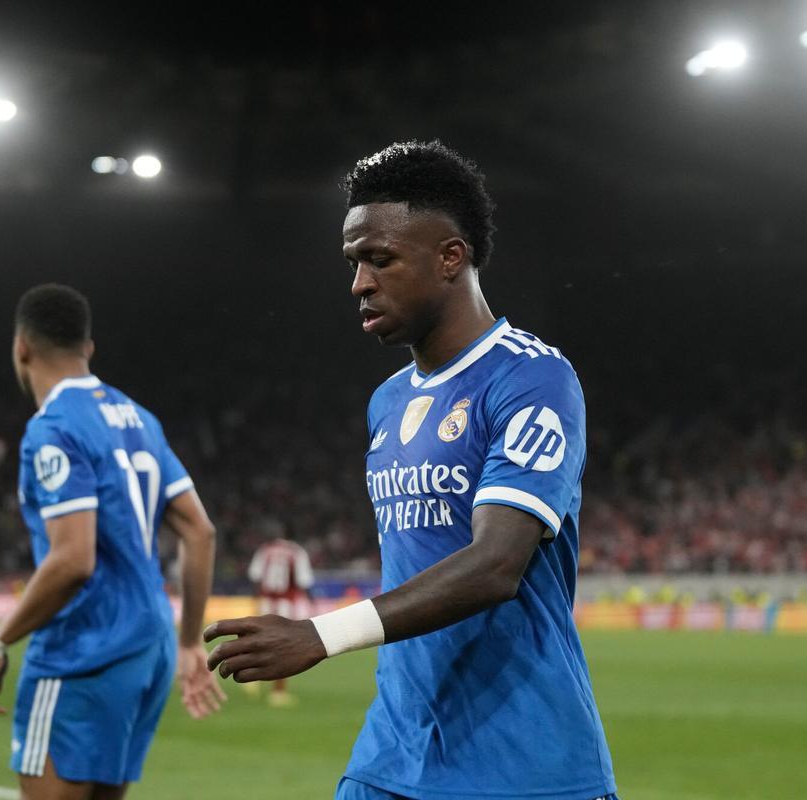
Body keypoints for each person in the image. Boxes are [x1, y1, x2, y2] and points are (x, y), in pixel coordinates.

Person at [205, 141, 618, 800]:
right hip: (391, 758)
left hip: (522, 767)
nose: (359, 283)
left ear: (450, 257)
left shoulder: (531, 377)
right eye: (352, 262)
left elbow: (496, 564)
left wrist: (322, 633)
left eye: (380, 259)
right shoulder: (388, 401)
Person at [0, 284, 226, 799]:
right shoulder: (139, 419)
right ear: (88, 348)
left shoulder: (53, 429)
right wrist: (188, 641)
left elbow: (72, 562)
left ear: (22, 346)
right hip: (148, 647)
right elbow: (200, 531)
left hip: (82, 647)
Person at [246, 531, 314, 706]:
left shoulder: (265, 550)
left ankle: (251, 676)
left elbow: (255, 576)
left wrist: (257, 598)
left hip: (266, 600)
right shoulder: (296, 552)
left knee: (258, 640)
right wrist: (311, 601)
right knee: (283, 645)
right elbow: (303, 581)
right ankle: (278, 692)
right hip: (286, 603)